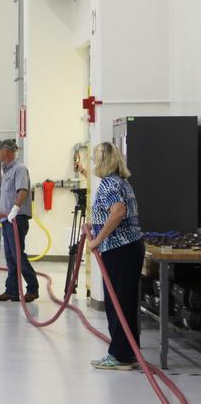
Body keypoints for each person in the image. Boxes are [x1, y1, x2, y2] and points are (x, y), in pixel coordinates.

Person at [84, 142, 145, 371]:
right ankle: (128, 353)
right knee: (125, 303)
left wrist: (98, 239)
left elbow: (118, 212)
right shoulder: (122, 182)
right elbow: (113, 213)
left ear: (103, 161)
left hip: (119, 250)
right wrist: (95, 225)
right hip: (130, 248)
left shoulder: (109, 184)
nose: (93, 164)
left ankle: (120, 356)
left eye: (95, 159)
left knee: (117, 304)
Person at [0, 138, 39, 303]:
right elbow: (6, 194)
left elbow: (22, 191)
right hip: (7, 218)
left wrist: (15, 209)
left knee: (18, 254)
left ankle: (33, 288)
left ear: (8, 152)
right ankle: (11, 291)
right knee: (10, 255)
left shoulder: (19, 169)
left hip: (16, 219)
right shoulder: (7, 170)